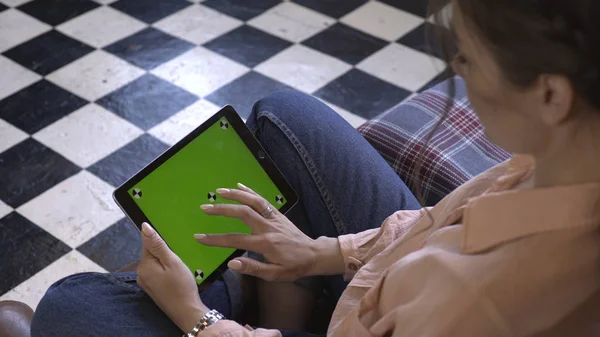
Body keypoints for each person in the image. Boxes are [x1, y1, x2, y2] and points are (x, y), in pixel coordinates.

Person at [31, 0, 600, 336]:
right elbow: (436, 220)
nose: (458, 71)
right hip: (386, 285)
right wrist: (325, 251)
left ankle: (238, 302)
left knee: (70, 306)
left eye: (470, 59)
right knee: (285, 115)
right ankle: (272, 292)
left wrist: (198, 320)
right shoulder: (559, 165)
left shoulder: (481, 306)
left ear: (551, 96)